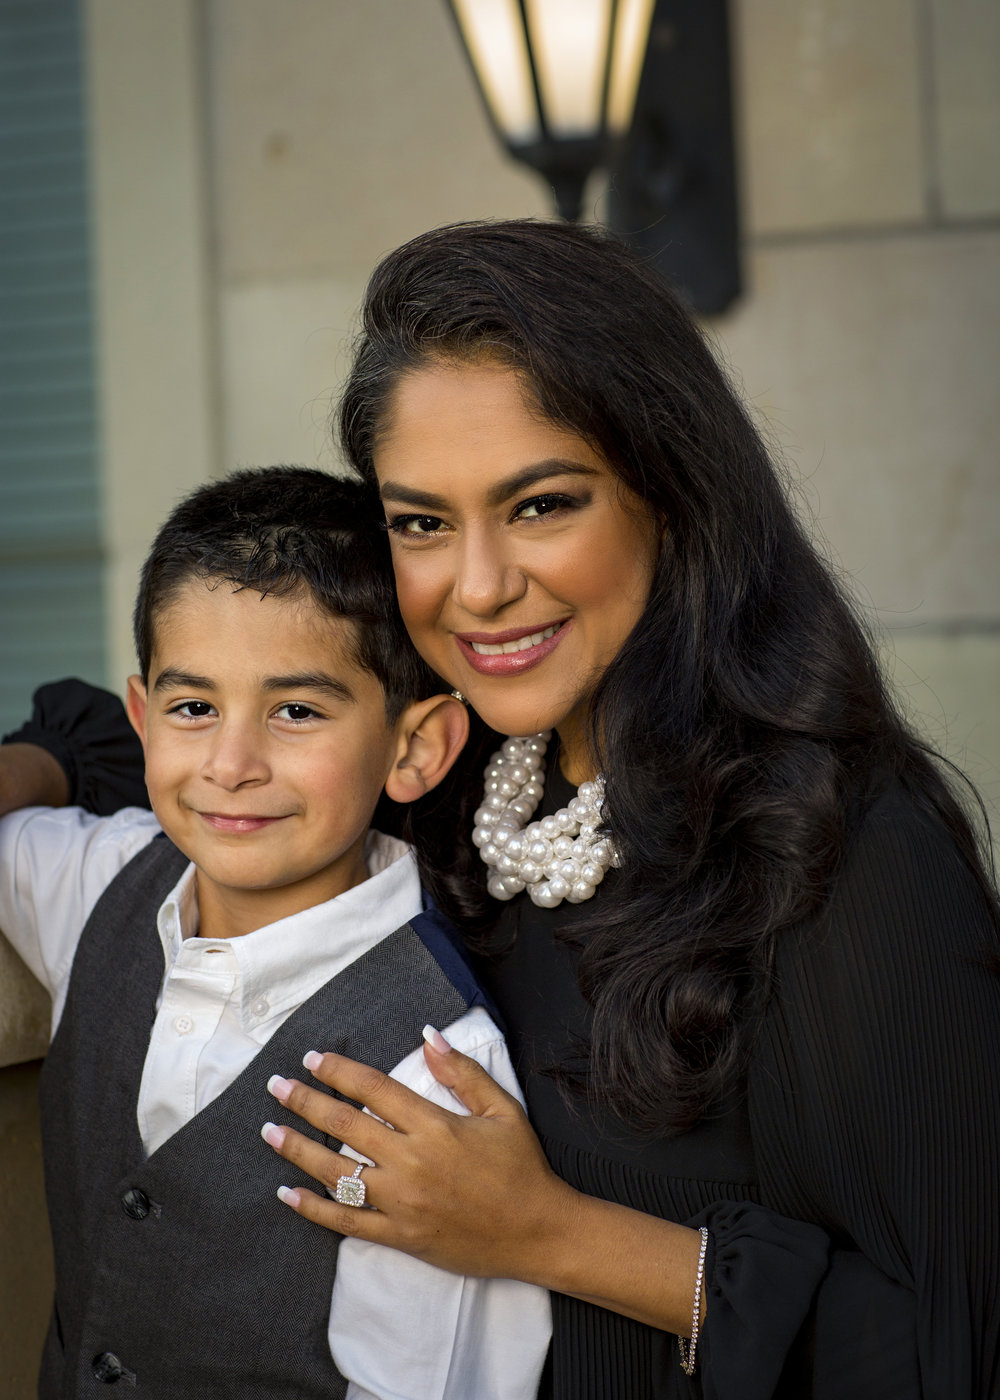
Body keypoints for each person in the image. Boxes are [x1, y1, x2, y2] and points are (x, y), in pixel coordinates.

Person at [5, 220, 999, 1399]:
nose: (475, 585)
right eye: (421, 521)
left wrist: (546, 1231)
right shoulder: (456, 771)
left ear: (669, 498)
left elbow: (954, 1348)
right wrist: (37, 766)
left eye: (540, 505)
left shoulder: (844, 856)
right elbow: (178, 737)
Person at [0, 466, 551, 1400]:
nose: (230, 763)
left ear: (414, 749)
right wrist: (45, 761)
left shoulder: (434, 1075)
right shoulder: (100, 885)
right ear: (142, 720)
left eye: (296, 711)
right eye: (192, 708)